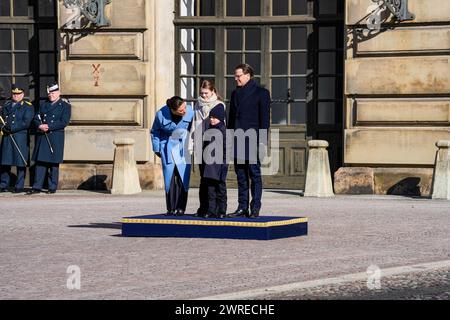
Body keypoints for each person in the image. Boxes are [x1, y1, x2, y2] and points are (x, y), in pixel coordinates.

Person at [227, 63, 271, 219]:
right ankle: (242, 207)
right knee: (240, 175)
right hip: (237, 139)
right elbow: (231, 119)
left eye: (238, 76)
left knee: (254, 174)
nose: (236, 78)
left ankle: (255, 207)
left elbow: (264, 120)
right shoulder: (234, 94)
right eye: (235, 76)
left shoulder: (262, 93)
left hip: (253, 139)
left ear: (248, 75)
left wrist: (262, 142)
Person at [189, 80, 227, 217]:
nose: (204, 96)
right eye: (201, 93)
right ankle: (203, 208)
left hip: (214, 147)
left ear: (213, 91)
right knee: (204, 179)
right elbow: (194, 125)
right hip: (201, 144)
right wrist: (191, 145)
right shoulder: (198, 105)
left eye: (206, 93)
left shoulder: (219, 105)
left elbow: (223, 126)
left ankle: (217, 209)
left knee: (216, 181)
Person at [151, 96, 194, 216]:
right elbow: (155, 131)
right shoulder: (161, 114)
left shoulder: (190, 111)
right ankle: (171, 208)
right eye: (181, 110)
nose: (184, 111)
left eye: (184, 107)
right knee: (169, 177)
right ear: (173, 110)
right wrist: (157, 148)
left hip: (183, 148)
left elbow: (195, 128)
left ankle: (181, 208)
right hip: (167, 148)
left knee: (182, 178)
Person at [27, 83, 71, 195]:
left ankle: (52, 187)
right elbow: (37, 117)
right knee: (40, 162)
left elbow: (64, 122)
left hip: (55, 137)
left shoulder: (65, 106)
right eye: (49, 93)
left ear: (58, 93)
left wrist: (49, 126)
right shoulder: (44, 104)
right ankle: (37, 186)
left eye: (53, 93)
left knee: (53, 164)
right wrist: (39, 125)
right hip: (43, 136)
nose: (51, 95)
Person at [0, 85, 34, 193]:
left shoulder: (28, 106)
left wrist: (12, 128)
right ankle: (3, 184)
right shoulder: (7, 105)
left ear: (23, 95)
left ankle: (19, 186)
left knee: (20, 162)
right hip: (7, 137)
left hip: (20, 137)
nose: (16, 96)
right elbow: (1, 120)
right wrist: (3, 128)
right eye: (14, 94)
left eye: (18, 94)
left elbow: (26, 122)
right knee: (5, 162)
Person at [199, 104, 228, 218]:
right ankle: (211, 210)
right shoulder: (208, 129)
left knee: (220, 189)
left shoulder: (224, 130)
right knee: (210, 190)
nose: (211, 119)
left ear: (220, 118)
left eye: (214, 118)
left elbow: (226, 150)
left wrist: (224, 166)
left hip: (220, 165)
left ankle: (221, 211)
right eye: (210, 117)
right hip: (209, 165)